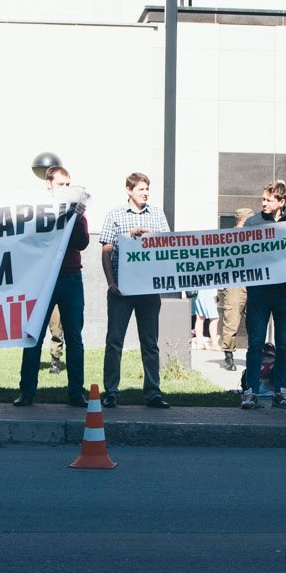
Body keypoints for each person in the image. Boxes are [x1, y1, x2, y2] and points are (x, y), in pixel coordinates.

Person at [15, 165, 90, 408]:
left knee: (74, 338)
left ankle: (76, 392)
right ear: (49, 184)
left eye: (68, 185)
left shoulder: (77, 210)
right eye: (61, 184)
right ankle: (27, 391)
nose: (66, 189)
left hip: (70, 278)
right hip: (43, 280)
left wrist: (77, 219)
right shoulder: (39, 209)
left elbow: (82, 243)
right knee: (34, 335)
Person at [100, 172, 171, 408]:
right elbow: (107, 251)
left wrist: (148, 236)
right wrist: (111, 283)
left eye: (147, 189)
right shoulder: (115, 215)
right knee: (114, 341)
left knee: (150, 342)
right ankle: (111, 391)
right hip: (122, 289)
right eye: (141, 189)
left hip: (148, 288)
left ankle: (153, 392)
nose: (145, 193)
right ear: (129, 190)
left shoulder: (157, 215)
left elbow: (167, 245)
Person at [240, 182, 286, 411]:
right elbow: (243, 255)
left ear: (281, 201)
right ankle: (251, 391)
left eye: (268, 200)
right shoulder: (253, 223)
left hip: (285, 291)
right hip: (259, 290)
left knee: (285, 343)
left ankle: (280, 390)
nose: (263, 203)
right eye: (263, 199)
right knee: (255, 342)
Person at [216, 207, 253, 372]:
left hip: (253, 280)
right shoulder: (229, 238)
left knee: (255, 320)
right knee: (231, 319)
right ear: (243, 220)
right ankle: (229, 355)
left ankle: (254, 356)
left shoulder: (255, 237)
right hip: (235, 281)